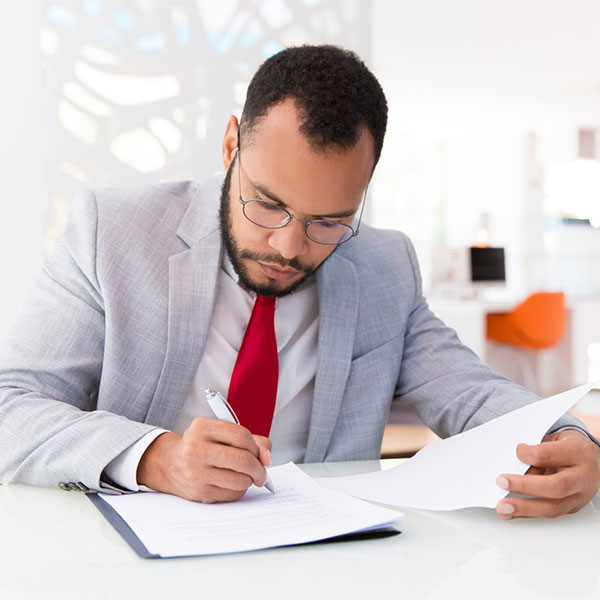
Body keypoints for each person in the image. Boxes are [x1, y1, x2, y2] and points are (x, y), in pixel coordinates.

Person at [0, 45, 598, 519]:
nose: (289, 246)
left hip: (320, 562)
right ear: (232, 143)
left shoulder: (385, 266)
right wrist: (156, 458)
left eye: (328, 221)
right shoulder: (115, 233)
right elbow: (10, 407)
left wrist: (569, 437)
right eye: (267, 204)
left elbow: (471, 393)